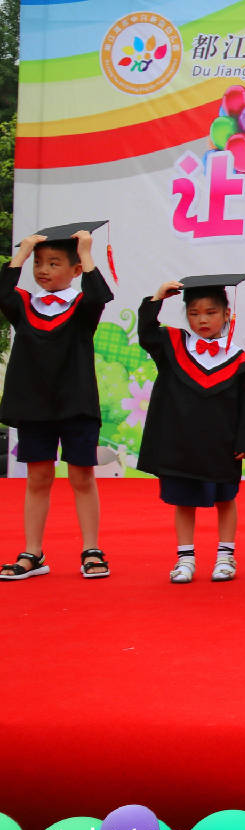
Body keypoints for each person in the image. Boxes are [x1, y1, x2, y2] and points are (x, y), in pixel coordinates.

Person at [0, 221, 113, 581]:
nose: (43, 270)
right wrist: (21, 253)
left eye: (53, 263)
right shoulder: (24, 305)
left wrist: (86, 253)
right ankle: (32, 553)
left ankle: (91, 549)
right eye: (39, 263)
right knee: (37, 477)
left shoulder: (81, 307)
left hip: (75, 404)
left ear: (75, 271)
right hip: (34, 406)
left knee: (81, 475)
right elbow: (2, 291)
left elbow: (99, 296)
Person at [136, 274, 245, 583]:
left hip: (221, 445)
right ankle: (185, 559)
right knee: (184, 501)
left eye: (211, 312)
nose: (202, 320)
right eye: (194, 313)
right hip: (181, 444)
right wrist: (157, 299)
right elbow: (147, 331)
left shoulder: (238, 359)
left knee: (225, 500)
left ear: (227, 314)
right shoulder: (172, 345)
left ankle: (225, 556)